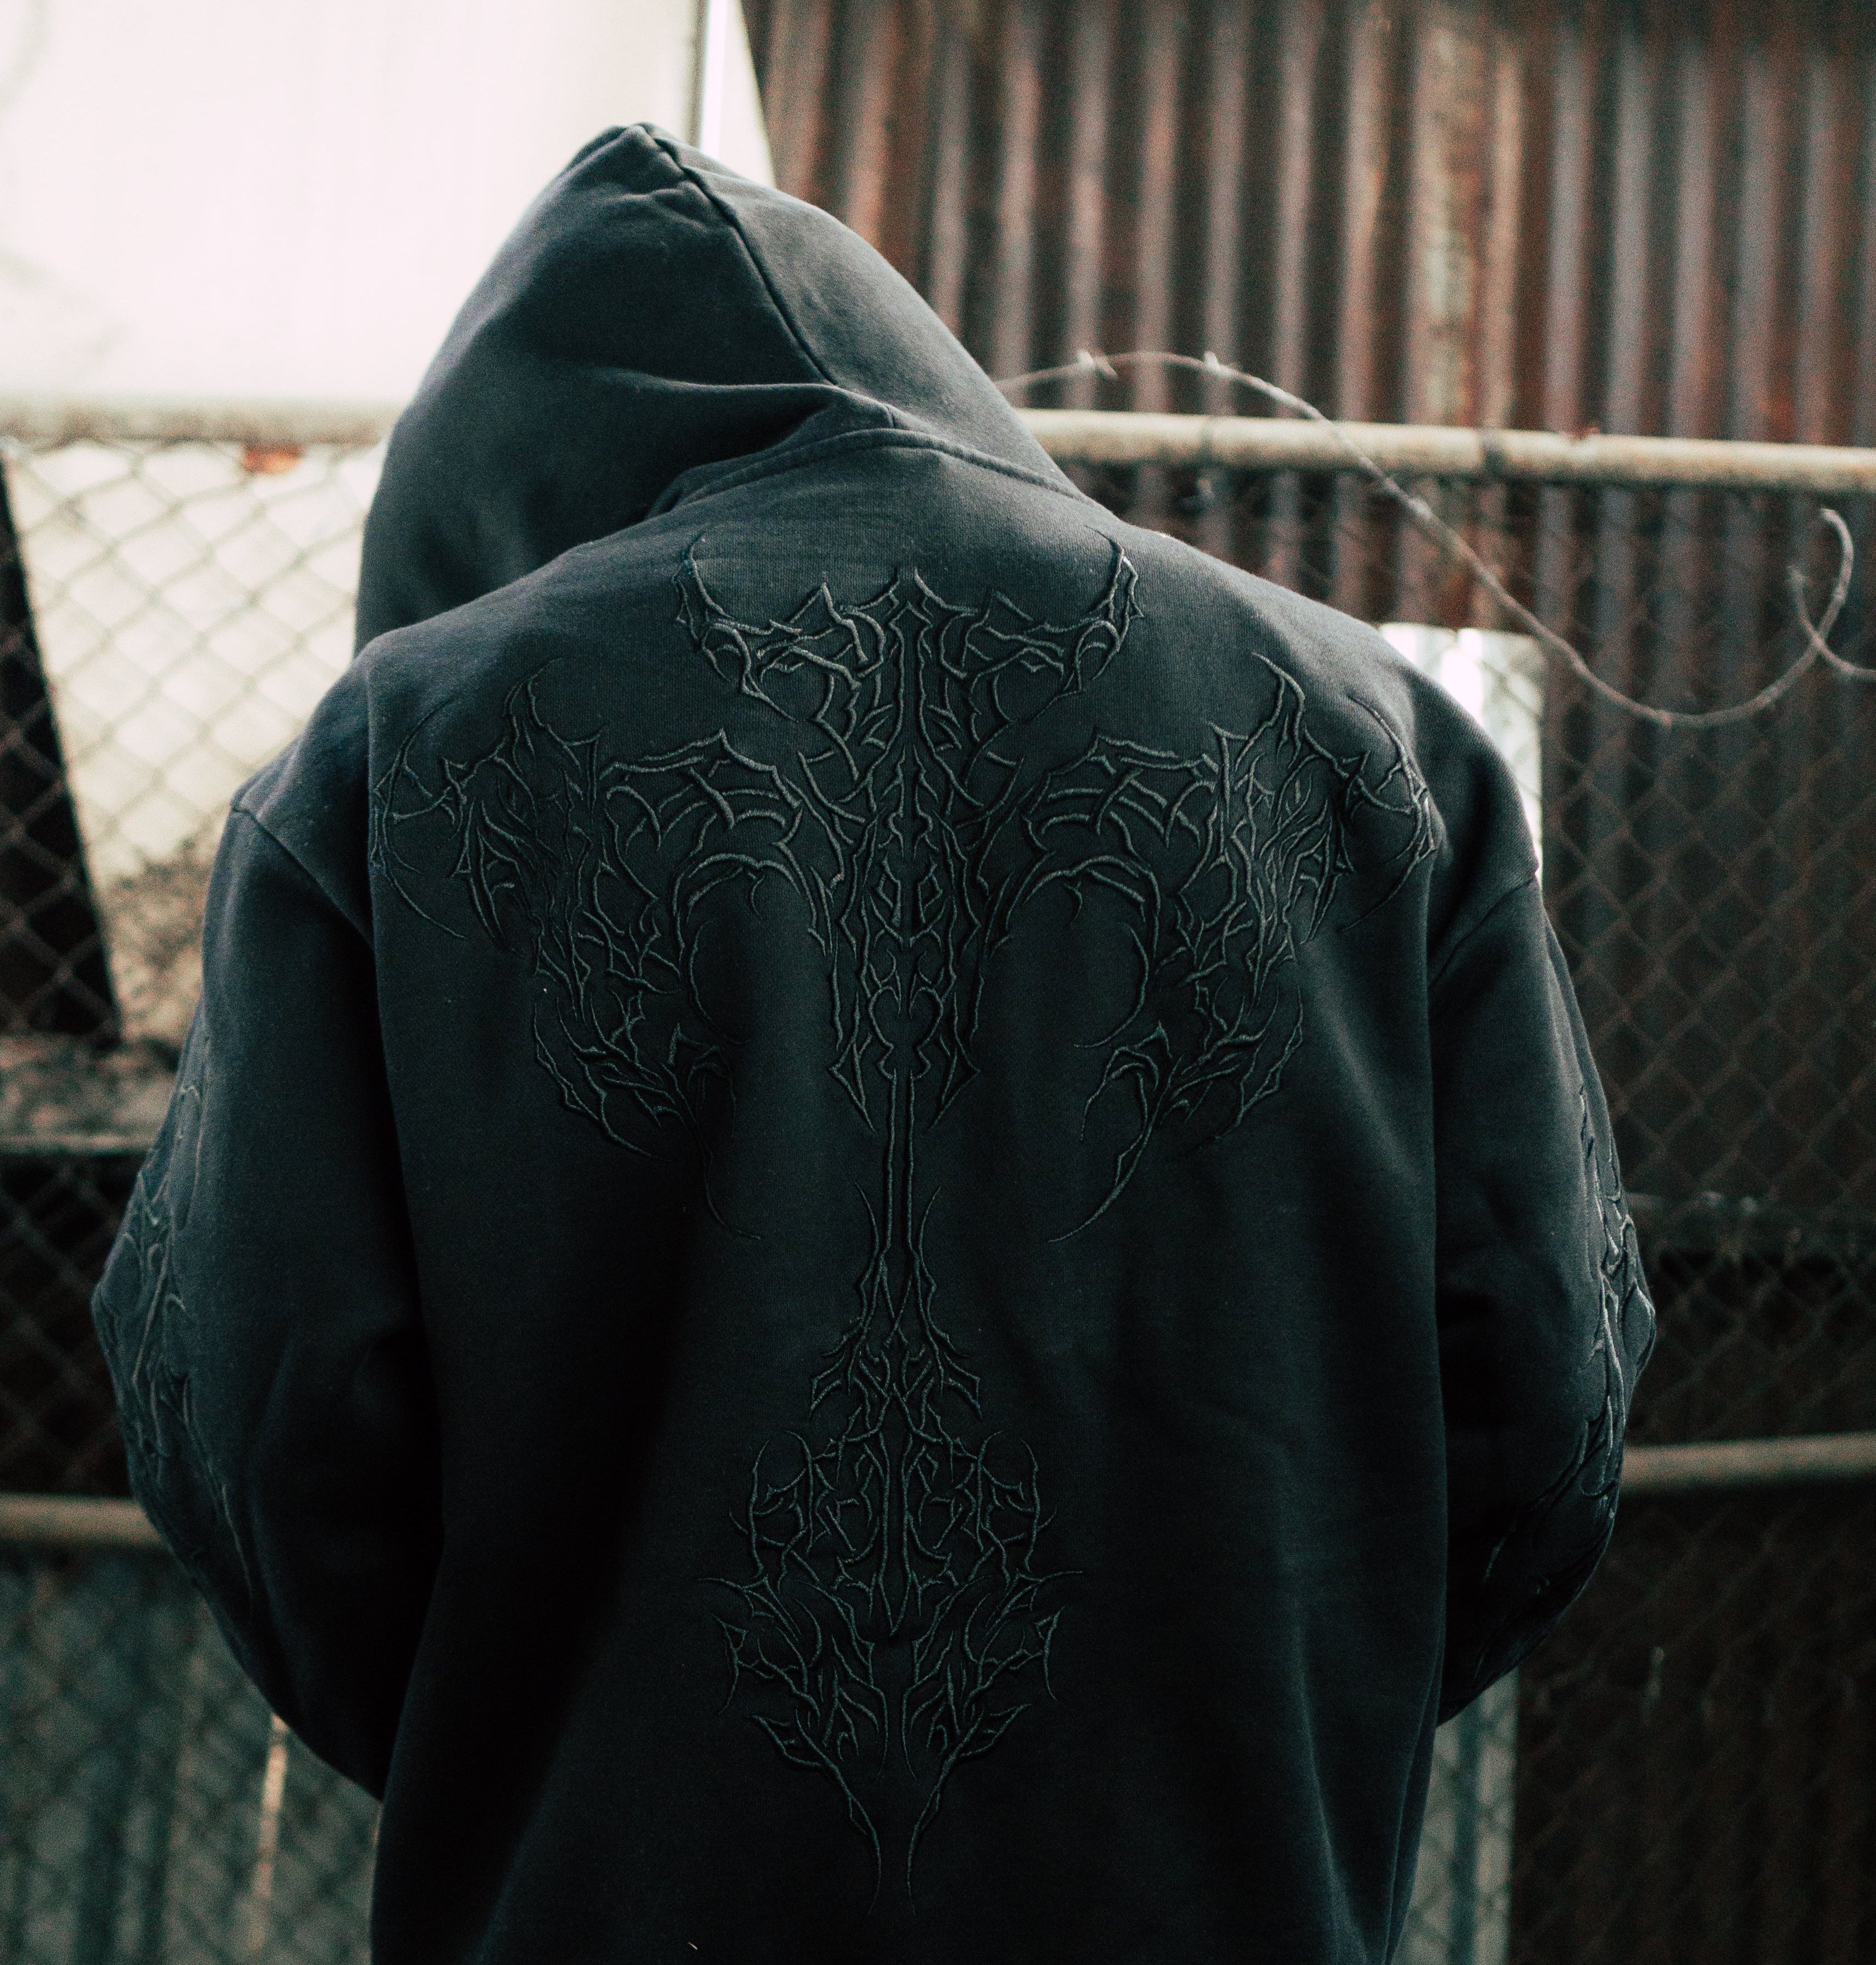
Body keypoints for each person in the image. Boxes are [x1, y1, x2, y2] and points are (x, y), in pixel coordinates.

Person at [92, 124, 1653, 1963]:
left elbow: (261, 1419)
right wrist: (1279, 1719)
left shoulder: (395, 758)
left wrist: (523, 1735)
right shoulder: (1373, 748)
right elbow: (1545, 1388)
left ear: (480, 497)